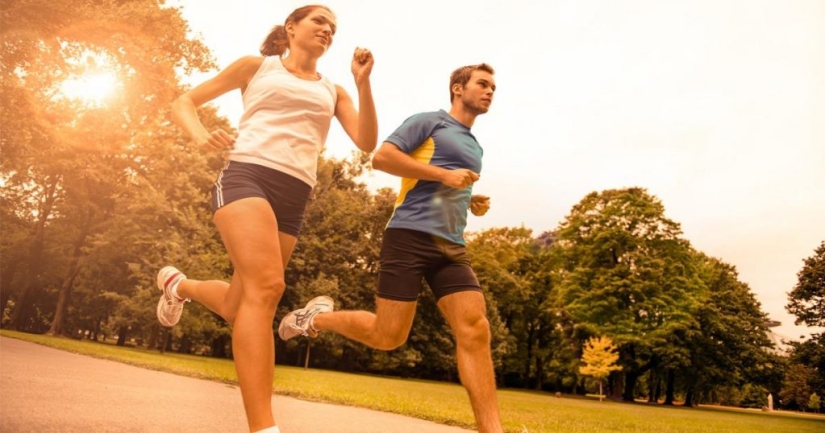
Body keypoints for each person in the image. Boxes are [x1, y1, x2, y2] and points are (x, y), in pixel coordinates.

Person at [159, 5, 377, 433]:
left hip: (295, 194)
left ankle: (177, 286)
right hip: (247, 175)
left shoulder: (334, 90)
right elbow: (183, 102)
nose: (327, 30)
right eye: (319, 21)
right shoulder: (256, 67)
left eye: (333, 27)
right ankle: (264, 428)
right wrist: (201, 136)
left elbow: (366, 141)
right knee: (268, 288)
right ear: (291, 27)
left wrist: (362, 83)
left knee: (237, 305)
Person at [279, 63, 503, 433]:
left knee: (476, 329)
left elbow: (445, 186)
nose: (490, 91)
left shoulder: (474, 145)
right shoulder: (429, 122)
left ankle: (492, 430)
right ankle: (313, 319)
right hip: (408, 236)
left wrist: (469, 199)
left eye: (493, 87)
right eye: (483, 84)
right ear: (458, 88)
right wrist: (445, 175)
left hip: (451, 246)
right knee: (388, 337)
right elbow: (382, 158)